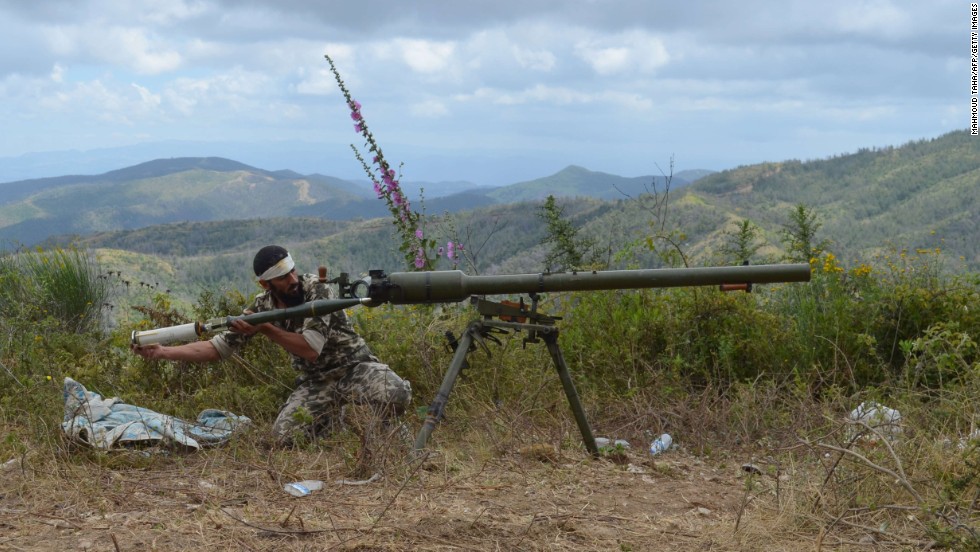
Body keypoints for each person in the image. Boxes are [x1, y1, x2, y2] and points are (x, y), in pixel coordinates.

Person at [131, 245, 412, 445]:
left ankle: (377, 428)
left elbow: (309, 349)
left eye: (292, 272)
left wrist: (266, 328)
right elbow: (217, 348)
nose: (292, 281)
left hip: (355, 369)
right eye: (282, 278)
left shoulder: (317, 290)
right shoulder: (261, 305)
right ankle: (336, 420)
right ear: (266, 285)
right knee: (285, 438)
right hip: (317, 383)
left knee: (396, 392)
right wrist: (163, 352)